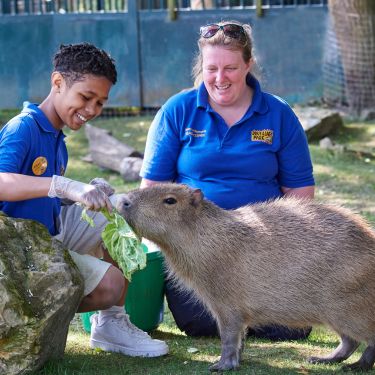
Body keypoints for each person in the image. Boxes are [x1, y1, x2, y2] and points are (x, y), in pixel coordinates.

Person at [140, 21, 315, 340]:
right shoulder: (177, 111)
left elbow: (300, 195)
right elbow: (150, 192)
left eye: (231, 68)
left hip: (265, 247)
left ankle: (251, 312)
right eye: (212, 68)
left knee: (289, 329)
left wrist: (293, 253)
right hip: (197, 248)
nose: (220, 79)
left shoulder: (278, 115)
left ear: (248, 64)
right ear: (201, 67)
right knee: (201, 324)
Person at [0, 42, 168, 357]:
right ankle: (26, 315)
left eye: (100, 102)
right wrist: (63, 186)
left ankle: (112, 325)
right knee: (111, 285)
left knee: (122, 209)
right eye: (86, 97)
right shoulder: (23, 128)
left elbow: (44, 202)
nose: (91, 110)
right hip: (16, 252)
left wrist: (90, 192)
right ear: (58, 83)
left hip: (48, 237)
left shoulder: (58, 139)